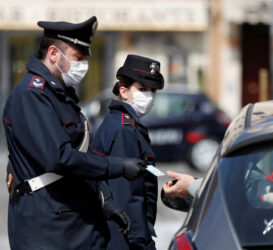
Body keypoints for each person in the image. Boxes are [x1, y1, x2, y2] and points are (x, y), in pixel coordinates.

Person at [2, 16, 146, 250]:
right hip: (48, 230)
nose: (84, 65)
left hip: (75, 224)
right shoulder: (31, 96)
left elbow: (82, 153)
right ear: (53, 54)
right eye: (78, 57)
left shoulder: (61, 94)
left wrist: (105, 200)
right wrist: (118, 166)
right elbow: (60, 158)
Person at [91, 54, 164, 250]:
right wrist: (141, 241)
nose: (149, 96)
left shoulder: (121, 123)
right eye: (142, 89)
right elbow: (128, 195)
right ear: (123, 91)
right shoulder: (124, 129)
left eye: (152, 91)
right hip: (125, 237)